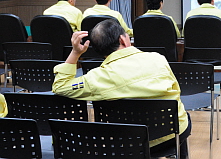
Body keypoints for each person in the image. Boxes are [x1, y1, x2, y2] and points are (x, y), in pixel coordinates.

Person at [52, 19, 190, 157]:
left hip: (126, 142)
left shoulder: (97, 77)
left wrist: (75, 53)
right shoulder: (158, 59)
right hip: (171, 136)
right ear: (123, 39)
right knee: (182, 117)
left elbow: (60, 86)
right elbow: (176, 91)